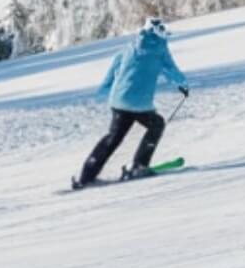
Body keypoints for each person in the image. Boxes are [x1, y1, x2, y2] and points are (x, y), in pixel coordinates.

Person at [72, 18, 190, 189]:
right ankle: (139, 165)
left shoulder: (129, 47)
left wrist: (106, 90)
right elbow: (170, 70)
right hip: (139, 104)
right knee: (156, 124)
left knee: (112, 139)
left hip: (118, 102)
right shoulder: (160, 49)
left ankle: (86, 175)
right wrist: (183, 85)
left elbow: (113, 70)